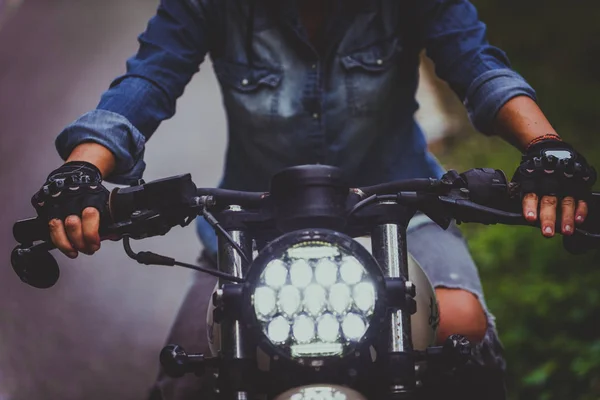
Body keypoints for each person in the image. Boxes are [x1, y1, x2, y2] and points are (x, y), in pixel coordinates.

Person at [31, 0, 596, 399]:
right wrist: (82, 170)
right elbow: (149, 80)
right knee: (190, 377)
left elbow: (478, 64)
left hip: (401, 210)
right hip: (250, 223)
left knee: (463, 329)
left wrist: (545, 147)